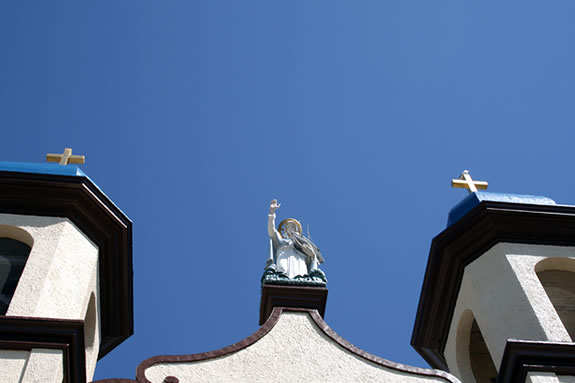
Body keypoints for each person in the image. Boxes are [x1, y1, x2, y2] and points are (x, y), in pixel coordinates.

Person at [268, 199, 324, 278]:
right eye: (288, 227)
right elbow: (271, 231)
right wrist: (272, 213)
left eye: (293, 227)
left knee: (301, 276)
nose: (290, 228)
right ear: (285, 229)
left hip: (299, 259)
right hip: (284, 256)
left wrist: (311, 254)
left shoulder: (302, 241)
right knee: (282, 273)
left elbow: (312, 257)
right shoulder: (281, 240)